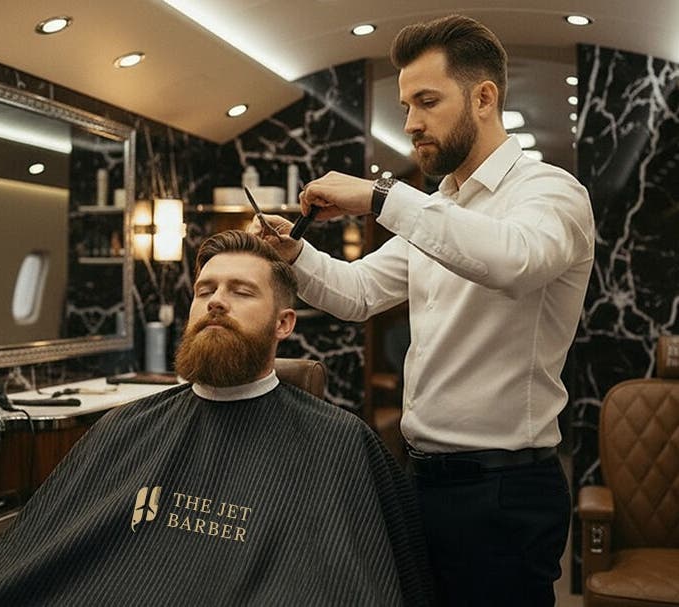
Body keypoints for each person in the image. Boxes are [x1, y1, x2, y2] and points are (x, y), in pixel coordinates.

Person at [251, 14, 595, 607]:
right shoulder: (440, 207)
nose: (411, 123)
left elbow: (514, 261)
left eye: (427, 102)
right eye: (406, 105)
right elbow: (358, 293)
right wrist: (296, 252)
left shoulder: (551, 192)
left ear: (483, 97)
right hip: (421, 478)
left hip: (503, 489)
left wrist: (382, 196)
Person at [0, 230, 432, 606]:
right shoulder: (127, 426)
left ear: (284, 323)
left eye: (241, 291)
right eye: (205, 290)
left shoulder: (338, 442)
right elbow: (35, 560)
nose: (216, 302)